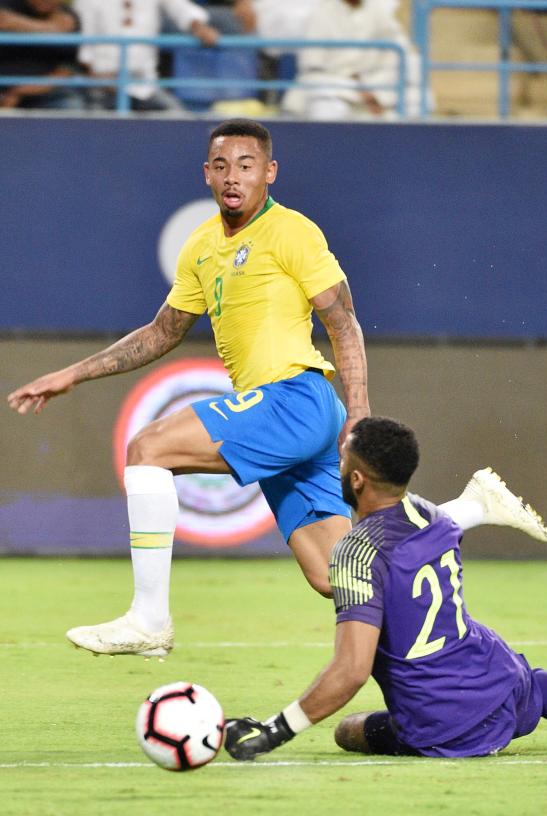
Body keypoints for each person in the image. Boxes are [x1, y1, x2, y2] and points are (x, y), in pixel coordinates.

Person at [7, 118, 370, 658]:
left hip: (295, 400)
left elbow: (343, 320)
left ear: (269, 173)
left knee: (146, 449)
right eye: (221, 165)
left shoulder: (292, 231)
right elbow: (161, 333)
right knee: (337, 575)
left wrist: (359, 413)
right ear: (206, 174)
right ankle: (464, 518)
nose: (233, 177)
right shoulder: (201, 246)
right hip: (290, 421)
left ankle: (149, 619)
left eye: (246, 166)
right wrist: (72, 374)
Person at [224, 416, 547, 762]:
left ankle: (450, 732)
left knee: (348, 731)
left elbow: (352, 670)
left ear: (355, 479)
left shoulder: (357, 552)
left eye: (341, 458)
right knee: (535, 679)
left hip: (443, 726)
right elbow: (433, 528)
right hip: (497, 680)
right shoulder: (430, 516)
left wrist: (275, 729)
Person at [281, 0, 426, 121]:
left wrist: (374, 92)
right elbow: (312, 64)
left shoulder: (378, 11)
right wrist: (358, 87)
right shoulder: (321, 11)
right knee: (327, 109)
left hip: (375, 84)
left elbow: (404, 52)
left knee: (419, 101)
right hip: (332, 83)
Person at [73, 0, 220, 112]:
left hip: (146, 86)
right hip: (102, 89)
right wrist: (101, 78)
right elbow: (85, 50)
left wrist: (199, 27)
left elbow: (181, 9)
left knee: (180, 125)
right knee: (96, 131)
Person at [0, 0, 83, 110]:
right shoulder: (7, 4)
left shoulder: (69, 16)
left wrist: (19, 92)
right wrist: (51, 29)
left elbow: (67, 68)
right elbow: (3, 20)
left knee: (72, 106)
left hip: (44, 94)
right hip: (2, 88)